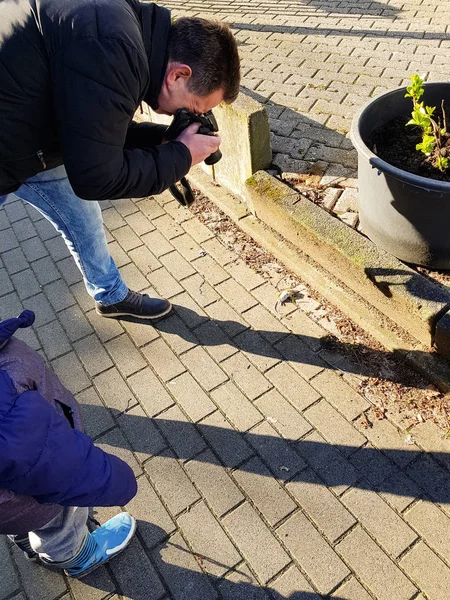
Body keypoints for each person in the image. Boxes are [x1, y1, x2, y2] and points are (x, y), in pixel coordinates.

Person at [0, 0, 240, 320]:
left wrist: (164, 139)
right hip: (10, 144)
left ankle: (110, 295)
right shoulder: (113, 48)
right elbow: (98, 176)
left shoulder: (127, 29)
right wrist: (182, 155)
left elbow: (97, 127)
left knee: (84, 220)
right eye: (196, 106)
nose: (193, 115)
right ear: (179, 74)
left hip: (33, 139)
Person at [0, 310, 138, 578]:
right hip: (33, 492)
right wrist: (118, 481)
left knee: (20, 511)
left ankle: (27, 541)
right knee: (59, 516)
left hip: (9, 497)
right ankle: (75, 556)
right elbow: (61, 465)